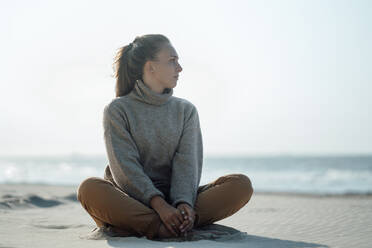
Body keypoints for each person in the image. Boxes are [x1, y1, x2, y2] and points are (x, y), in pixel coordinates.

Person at [77, 34, 253, 240]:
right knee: (89, 189)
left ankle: (176, 222)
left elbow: (187, 165)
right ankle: (161, 226)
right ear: (150, 67)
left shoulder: (186, 110)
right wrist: (158, 205)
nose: (180, 68)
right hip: (130, 200)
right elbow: (125, 168)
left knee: (240, 185)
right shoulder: (118, 109)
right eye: (172, 61)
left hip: (175, 200)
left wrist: (184, 204)